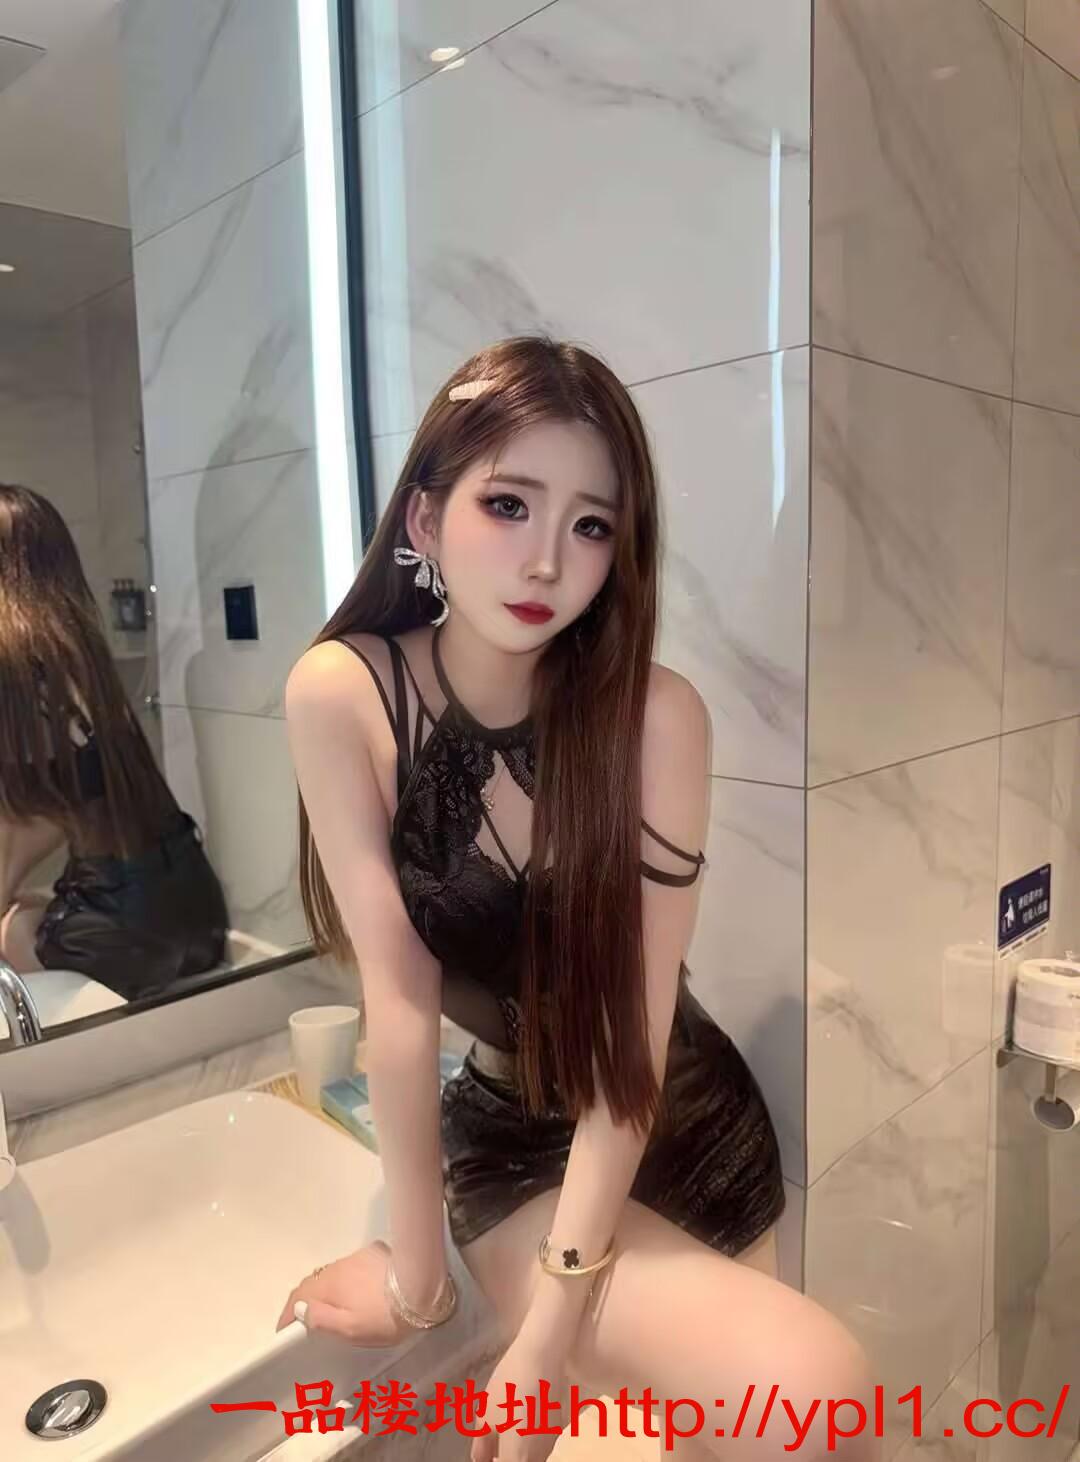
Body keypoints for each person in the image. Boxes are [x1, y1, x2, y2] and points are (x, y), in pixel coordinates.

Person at [278, 338, 877, 1460]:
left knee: (791, 1428)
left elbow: (631, 1035)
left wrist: (550, 1336)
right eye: (507, 504)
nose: (547, 560)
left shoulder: (658, 718)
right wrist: (418, 1280)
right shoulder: (346, 693)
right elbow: (399, 1005)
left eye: (591, 525)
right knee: (818, 1400)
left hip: (686, 1117)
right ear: (424, 520)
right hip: (518, 1146)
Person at [0, 483, 229, 1002]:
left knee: (13, 928)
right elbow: (69, 799)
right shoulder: (81, 661)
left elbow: (20, 830)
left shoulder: (15, 668)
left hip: (125, 933)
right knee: (30, 904)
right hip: (196, 910)